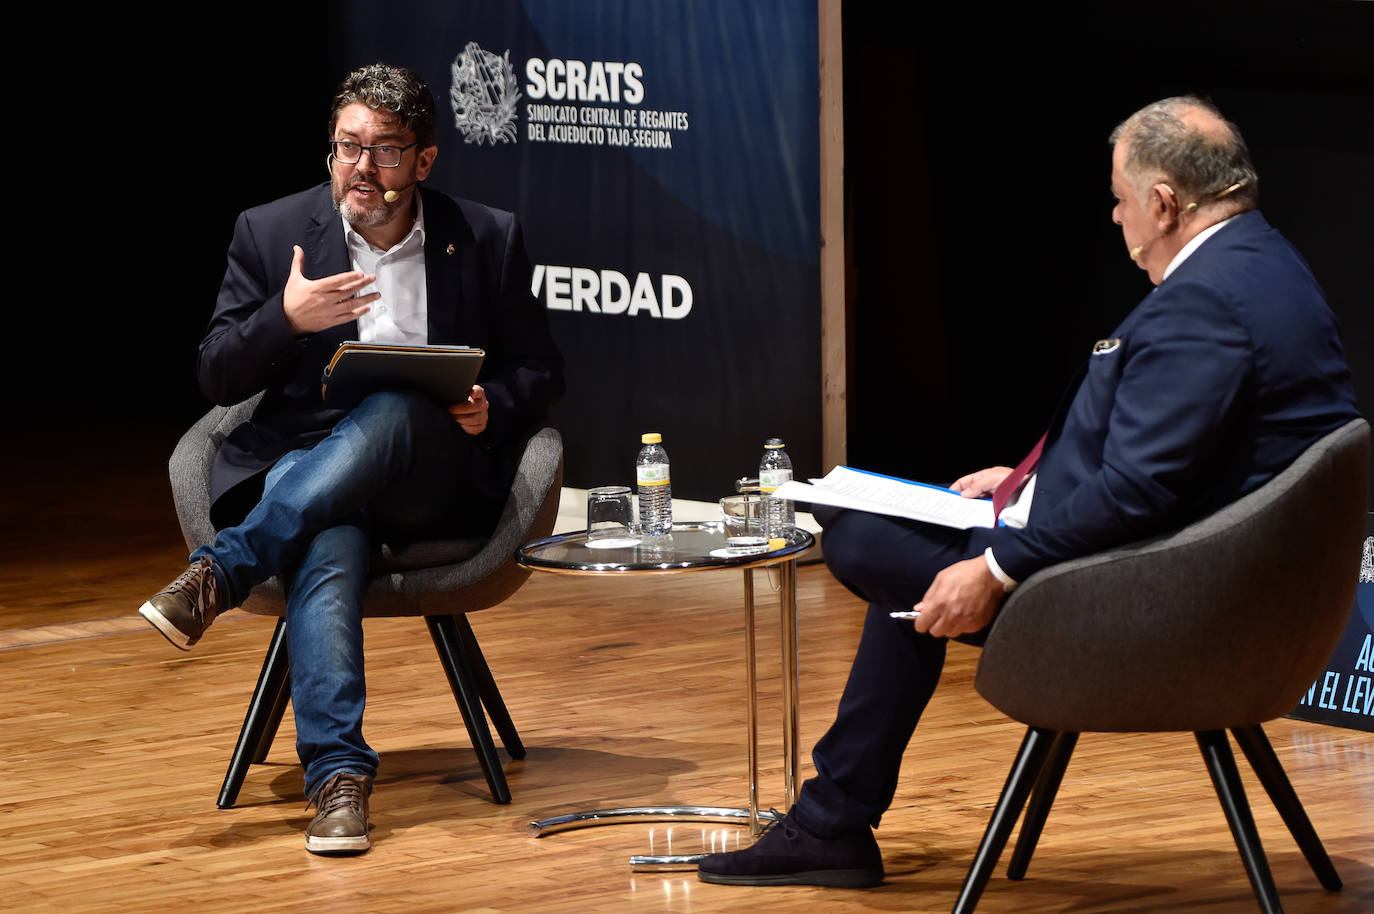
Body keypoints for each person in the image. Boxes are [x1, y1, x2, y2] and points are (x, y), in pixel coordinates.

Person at [697, 95, 1359, 887]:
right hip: (1220, 580)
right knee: (893, 543)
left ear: (1164, 202)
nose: (1115, 219)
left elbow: (1141, 491)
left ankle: (831, 822)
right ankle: (830, 820)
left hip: (1172, 606)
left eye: (1120, 201)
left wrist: (1000, 564)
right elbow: (1182, 456)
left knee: (867, 542)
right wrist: (1025, 486)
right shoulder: (1265, 263)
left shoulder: (1205, 302)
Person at [139, 63, 564, 856]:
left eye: (385, 151)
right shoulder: (273, 233)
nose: (360, 169)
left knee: (398, 405)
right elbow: (216, 375)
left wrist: (490, 405)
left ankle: (223, 569)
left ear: (425, 160)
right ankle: (338, 783)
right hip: (310, 474)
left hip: (431, 479)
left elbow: (542, 369)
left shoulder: (484, 236)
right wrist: (286, 318)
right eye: (346, 147)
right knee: (328, 539)